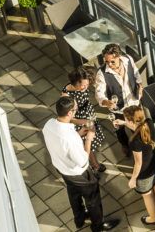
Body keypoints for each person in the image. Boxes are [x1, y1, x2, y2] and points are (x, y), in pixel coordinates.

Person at [43, 96, 119, 232]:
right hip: (78, 173)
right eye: (75, 109)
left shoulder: (48, 124)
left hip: (62, 169)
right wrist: (88, 139)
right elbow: (83, 162)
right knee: (93, 200)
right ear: (70, 113)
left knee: (74, 194)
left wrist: (78, 133)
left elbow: (62, 145)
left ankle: (79, 219)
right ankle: (97, 226)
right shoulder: (70, 138)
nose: (76, 111)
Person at [115, 105, 155, 226]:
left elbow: (138, 163)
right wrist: (123, 123)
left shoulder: (134, 141)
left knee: (147, 195)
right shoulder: (148, 123)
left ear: (132, 121)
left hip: (145, 172)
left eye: (126, 119)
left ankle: (153, 218)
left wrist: (133, 179)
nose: (125, 120)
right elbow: (137, 127)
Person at [94, 44, 143, 156]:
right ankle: (125, 145)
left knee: (136, 128)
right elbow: (99, 94)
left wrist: (140, 87)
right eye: (106, 61)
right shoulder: (101, 73)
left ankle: (139, 146)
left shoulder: (128, 59)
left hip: (134, 103)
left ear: (119, 56)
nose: (109, 64)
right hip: (118, 109)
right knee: (120, 130)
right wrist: (107, 102)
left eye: (112, 61)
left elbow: (136, 72)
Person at [62, 66, 106, 172]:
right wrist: (84, 122)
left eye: (87, 85)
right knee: (88, 145)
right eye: (82, 85)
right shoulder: (67, 96)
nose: (85, 88)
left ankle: (93, 164)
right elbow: (68, 119)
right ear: (75, 82)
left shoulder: (83, 86)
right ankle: (95, 165)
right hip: (79, 121)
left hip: (88, 113)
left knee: (90, 142)